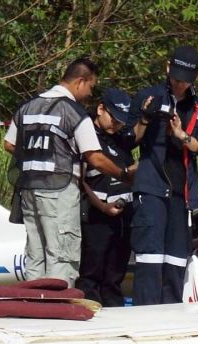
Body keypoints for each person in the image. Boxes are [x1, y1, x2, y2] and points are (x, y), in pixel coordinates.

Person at [3, 57, 135, 284]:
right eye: (90, 87)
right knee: (62, 255)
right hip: (60, 191)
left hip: (28, 191)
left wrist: (40, 156)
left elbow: (9, 143)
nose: (90, 94)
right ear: (80, 81)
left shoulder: (27, 107)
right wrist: (123, 175)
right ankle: (56, 311)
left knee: (36, 254)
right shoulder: (74, 113)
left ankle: (35, 308)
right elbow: (95, 158)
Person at [127, 45, 198, 305]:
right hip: (151, 188)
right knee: (150, 259)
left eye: (185, 82)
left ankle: (172, 317)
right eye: (176, 80)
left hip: (181, 192)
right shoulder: (149, 96)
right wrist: (144, 119)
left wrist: (181, 135)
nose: (180, 86)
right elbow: (129, 140)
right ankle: (145, 318)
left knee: (176, 260)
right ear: (167, 69)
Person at [76, 88, 135, 306]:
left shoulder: (120, 137)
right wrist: (102, 207)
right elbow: (80, 181)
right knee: (91, 272)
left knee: (115, 273)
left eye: (121, 122)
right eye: (114, 119)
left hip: (123, 214)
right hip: (96, 214)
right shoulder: (85, 134)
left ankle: (115, 312)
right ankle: (90, 313)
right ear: (101, 109)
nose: (116, 126)